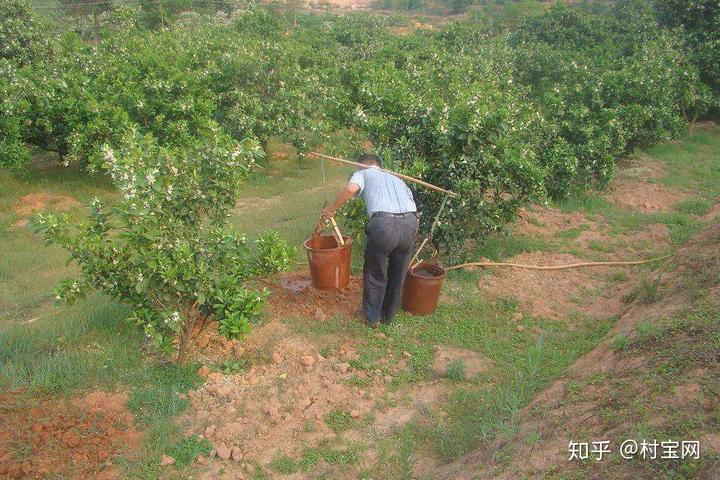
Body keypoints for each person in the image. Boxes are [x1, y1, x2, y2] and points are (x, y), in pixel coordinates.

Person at [321, 153, 418, 327]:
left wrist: (330, 210)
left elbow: (351, 189)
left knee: (375, 271)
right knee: (399, 271)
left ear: (361, 165)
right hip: (410, 222)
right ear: (379, 165)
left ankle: (372, 317)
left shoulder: (363, 173)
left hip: (384, 224)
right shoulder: (397, 178)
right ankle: (389, 315)